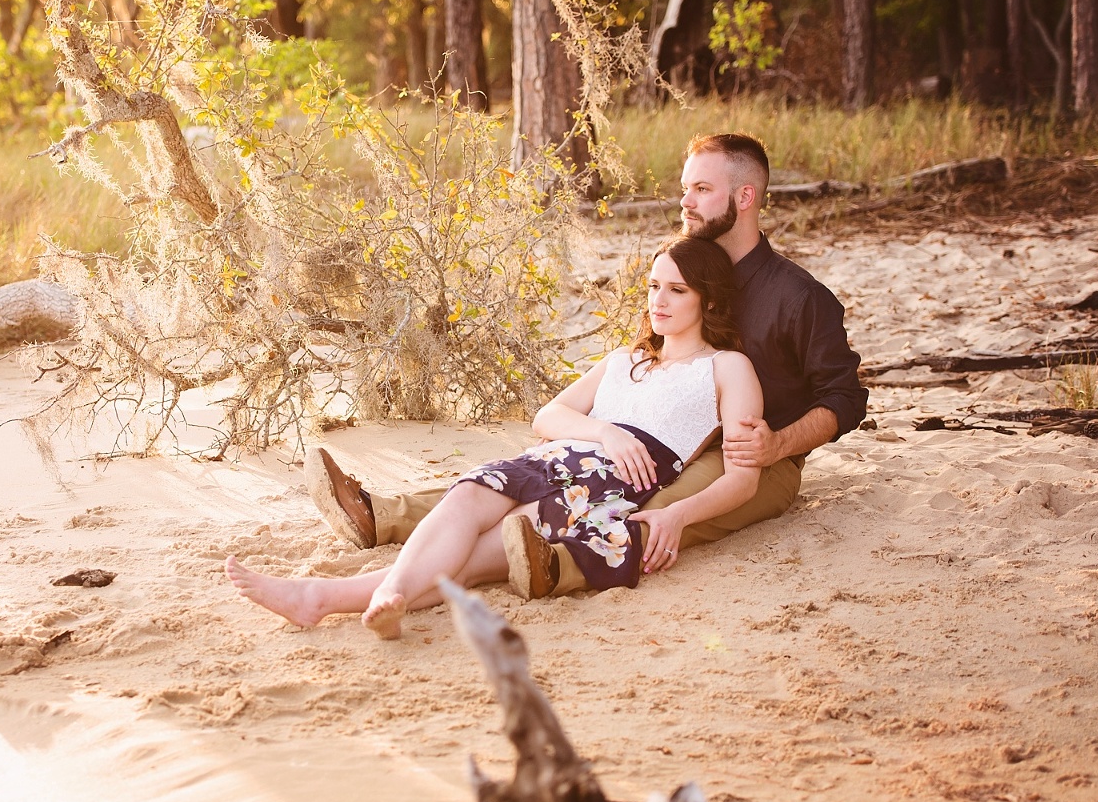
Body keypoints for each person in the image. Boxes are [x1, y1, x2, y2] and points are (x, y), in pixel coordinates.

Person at [303, 132, 868, 597]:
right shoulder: (686, 268)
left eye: (701, 189)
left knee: (661, 507)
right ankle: (381, 516)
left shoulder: (799, 297)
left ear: (744, 198)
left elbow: (845, 399)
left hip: (752, 457)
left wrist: (777, 445)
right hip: (668, 433)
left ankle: (555, 564)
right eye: (683, 189)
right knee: (553, 472)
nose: (685, 203)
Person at [226, 236, 763, 639]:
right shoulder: (626, 359)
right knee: (464, 498)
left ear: (708, 301)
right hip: (554, 457)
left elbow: (743, 478)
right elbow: (547, 415)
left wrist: (677, 514)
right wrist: (606, 431)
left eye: (676, 290)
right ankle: (381, 592)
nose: (658, 301)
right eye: (652, 286)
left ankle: (325, 598)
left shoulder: (727, 368)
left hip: (604, 492)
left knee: (485, 555)